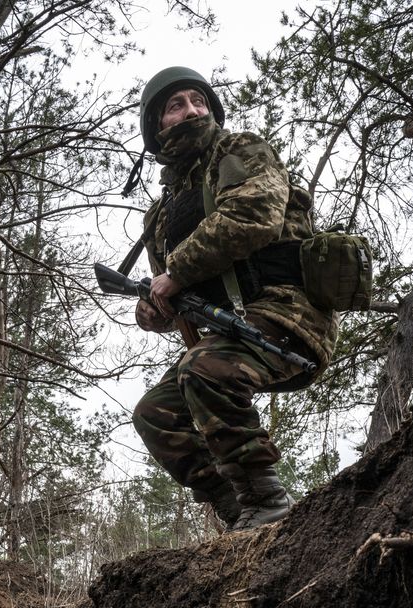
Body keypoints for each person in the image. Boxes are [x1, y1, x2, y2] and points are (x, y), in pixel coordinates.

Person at [128, 66, 338, 531]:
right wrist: (152, 307)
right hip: (227, 332)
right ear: (156, 125)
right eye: (176, 105)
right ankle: (238, 512)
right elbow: (162, 289)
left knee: (202, 368)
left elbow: (254, 216)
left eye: (198, 100)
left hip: (289, 316)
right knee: (155, 414)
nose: (192, 110)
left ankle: (268, 503)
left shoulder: (240, 149)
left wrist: (177, 274)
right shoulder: (160, 213)